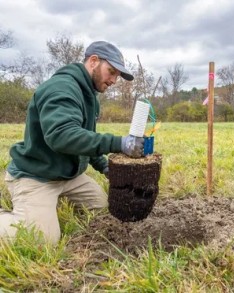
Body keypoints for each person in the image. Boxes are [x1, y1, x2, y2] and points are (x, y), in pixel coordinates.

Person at [0, 41, 144, 244]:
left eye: (117, 76)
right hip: (36, 175)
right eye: (111, 72)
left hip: (68, 176)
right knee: (42, 239)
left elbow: (84, 138)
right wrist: (119, 143)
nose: (113, 80)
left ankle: (47, 205)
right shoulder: (62, 88)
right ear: (93, 61)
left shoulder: (89, 94)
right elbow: (62, 135)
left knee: (103, 209)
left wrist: (104, 167)